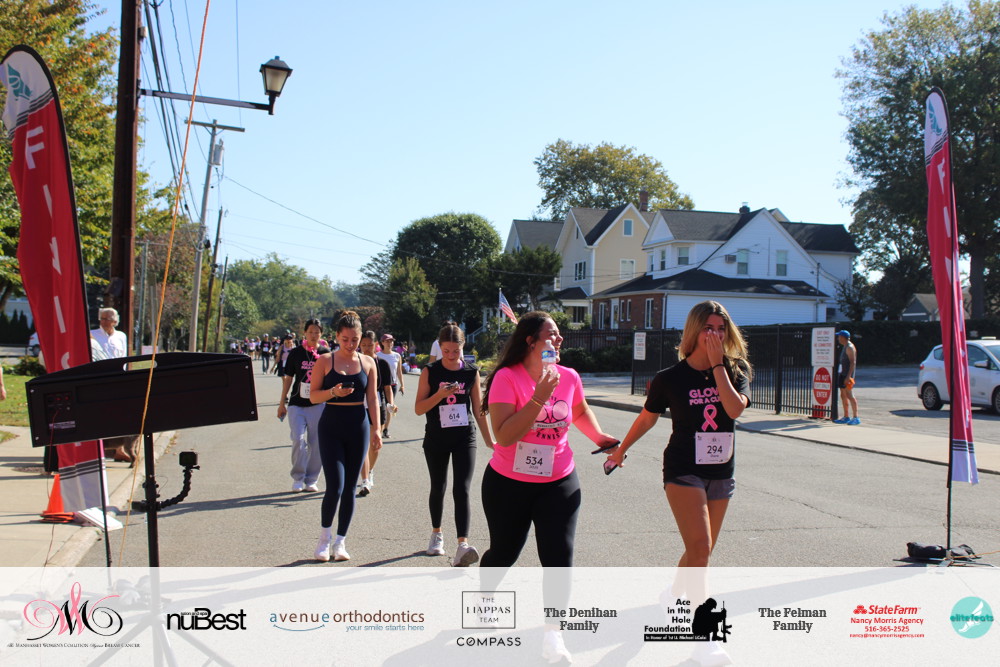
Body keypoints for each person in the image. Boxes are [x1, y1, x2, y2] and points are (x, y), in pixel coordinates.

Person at [607, 300, 751, 664]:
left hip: (721, 471)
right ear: (694, 331)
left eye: (721, 329)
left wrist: (718, 366)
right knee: (700, 547)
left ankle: (672, 595)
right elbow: (647, 417)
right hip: (683, 468)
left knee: (700, 550)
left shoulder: (736, 370)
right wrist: (621, 450)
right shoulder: (669, 378)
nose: (715, 335)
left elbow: (734, 409)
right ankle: (705, 638)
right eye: (708, 328)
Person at [481, 311, 618, 661]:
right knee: (504, 553)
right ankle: (487, 598)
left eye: (559, 335)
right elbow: (504, 436)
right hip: (508, 483)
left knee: (559, 558)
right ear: (531, 341)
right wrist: (539, 397)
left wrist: (601, 438)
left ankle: (553, 634)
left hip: (558, 480)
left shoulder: (568, 376)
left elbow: (579, 411)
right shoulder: (506, 378)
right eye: (551, 334)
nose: (559, 339)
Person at [414, 324, 493, 567]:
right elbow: (418, 409)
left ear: (463, 347)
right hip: (436, 437)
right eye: (446, 351)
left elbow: (479, 410)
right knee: (438, 486)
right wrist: (438, 395)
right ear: (440, 347)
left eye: (456, 351)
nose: (451, 356)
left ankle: (462, 544)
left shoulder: (471, 371)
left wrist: (489, 440)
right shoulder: (430, 371)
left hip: (464, 437)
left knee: (463, 489)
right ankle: (436, 534)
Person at [309, 311, 382, 562]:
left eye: (355, 340)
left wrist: (377, 429)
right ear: (337, 337)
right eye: (345, 339)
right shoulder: (325, 361)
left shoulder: (368, 363)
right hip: (331, 425)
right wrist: (333, 392)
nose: (350, 344)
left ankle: (340, 542)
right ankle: (323, 539)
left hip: (358, 425)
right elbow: (313, 396)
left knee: (350, 487)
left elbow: (372, 399)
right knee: (335, 487)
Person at [278, 320, 325, 493]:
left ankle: (311, 479)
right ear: (305, 333)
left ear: (321, 334)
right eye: (310, 332)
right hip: (297, 404)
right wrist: (282, 403)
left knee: (316, 443)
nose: (313, 335)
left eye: (317, 332)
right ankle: (298, 478)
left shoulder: (325, 354)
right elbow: (288, 378)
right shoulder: (296, 353)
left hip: (317, 405)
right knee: (298, 439)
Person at [90, 308, 135, 462]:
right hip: (99, 379)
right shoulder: (92, 335)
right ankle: (102, 449)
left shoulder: (121, 336)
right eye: (102, 318)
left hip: (117, 379)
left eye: (108, 319)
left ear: (115, 321)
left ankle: (119, 449)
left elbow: (124, 356)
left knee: (119, 414)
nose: (104, 322)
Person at [358, 331, 394, 496]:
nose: (366, 348)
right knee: (361, 443)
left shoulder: (382, 364)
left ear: (376, 345)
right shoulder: (356, 362)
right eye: (363, 345)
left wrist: (391, 403)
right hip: (359, 404)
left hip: (377, 404)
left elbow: (387, 388)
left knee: (375, 442)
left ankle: (370, 470)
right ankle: (364, 477)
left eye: (370, 345)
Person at [376, 333, 405, 438]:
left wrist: (402, 385)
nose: (389, 343)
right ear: (382, 343)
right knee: (381, 406)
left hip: (392, 385)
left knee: (390, 407)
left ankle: (386, 429)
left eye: (391, 341)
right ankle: (379, 426)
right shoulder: (378, 355)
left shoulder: (397, 356)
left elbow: (399, 372)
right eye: (387, 341)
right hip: (380, 385)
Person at [833, 330, 859, 425]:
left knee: (849, 395)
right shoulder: (845, 346)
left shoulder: (849, 347)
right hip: (843, 373)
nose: (838, 338)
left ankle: (856, 417)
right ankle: (846, 416)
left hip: (847, 375)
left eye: (839, 337)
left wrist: (848, 376)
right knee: (843, 395)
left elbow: (853, 363)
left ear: (843, 337)